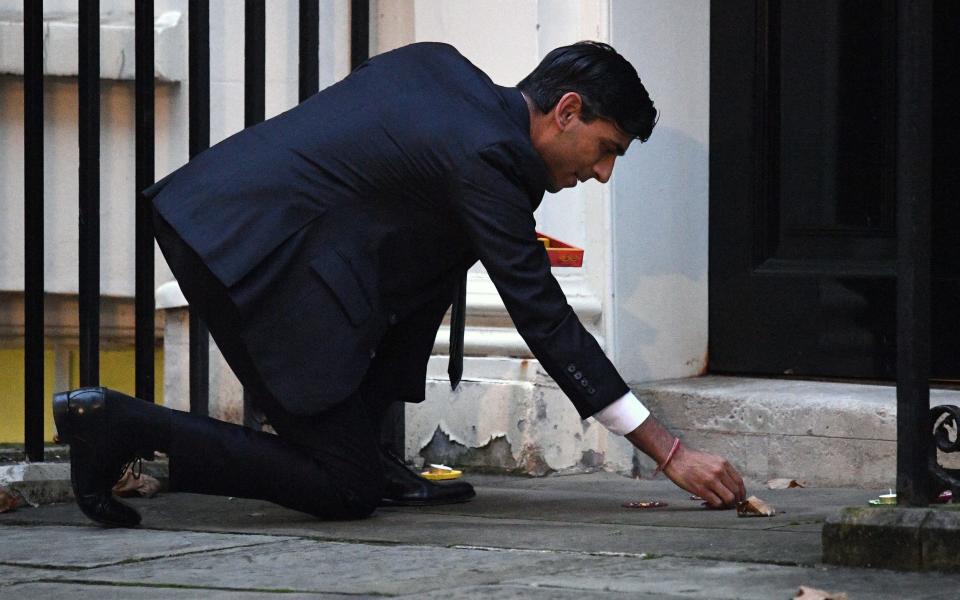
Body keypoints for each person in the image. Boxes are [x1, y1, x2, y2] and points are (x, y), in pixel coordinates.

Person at [53, 41, 747, 528]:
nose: (601, 173)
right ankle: (116, 424)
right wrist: (669, 451)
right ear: (567, 110)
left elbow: (415, 267)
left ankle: (354, 456)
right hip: (255, 258)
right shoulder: (486, 160)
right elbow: (544, 318)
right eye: (605, 150)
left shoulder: (441, 69)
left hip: (232, 226)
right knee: (342, 487)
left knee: (360, 464)